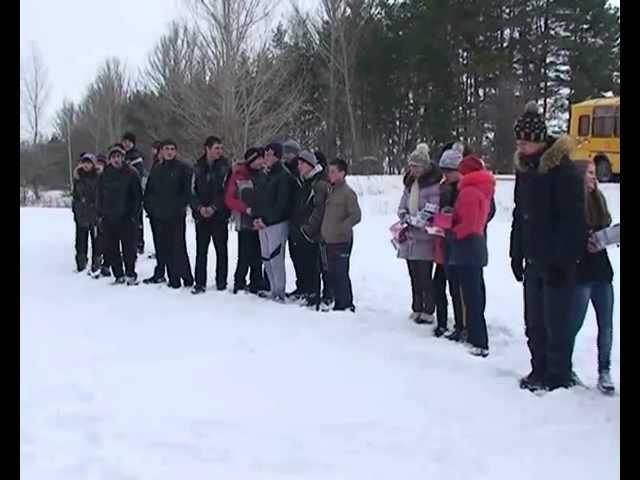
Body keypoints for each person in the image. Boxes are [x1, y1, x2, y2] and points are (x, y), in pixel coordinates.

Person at [510, 101, 587, 392]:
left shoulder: (563, 172)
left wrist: (561, 261)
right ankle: (538, 369)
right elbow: (520, 214)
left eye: (525, 141)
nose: (521, 146)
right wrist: (516, 252)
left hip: (557, 262)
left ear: (539, 141)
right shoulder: (525, 170)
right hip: (533, 258)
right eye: (518, 141)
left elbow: (573, 223)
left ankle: (558, 376)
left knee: (556, 324)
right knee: (534, 322)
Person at [571, 160, 616, 395]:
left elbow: (606, 225)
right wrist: (585, 241)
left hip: (602, 271)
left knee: (606, 325)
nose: (594, 178)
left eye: (594, 174)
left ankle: (604, 370)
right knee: (574, 323)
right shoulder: (573, 202)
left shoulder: (599, 199)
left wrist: (608, 237)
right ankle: (564, 365)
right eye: (589, 173)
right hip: (581, 272)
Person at [447, 155, 496, 357]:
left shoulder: (468, 192)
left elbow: (468, 223)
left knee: (471, 295)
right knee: (475, 292)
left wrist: (449, 228)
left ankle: (478, 339)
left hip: (466, 246)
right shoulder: (483, 189)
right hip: (476, 246)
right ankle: (477, 335)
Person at [396, 143, 441, 324]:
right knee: (413, 274)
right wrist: (404, 215)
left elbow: (433, 209)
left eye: (416, 167)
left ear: (424, 167)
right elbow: (402, 204)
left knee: (425, 276)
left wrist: (420, 220)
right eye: (411, 166)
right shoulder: (409, 185)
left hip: (425, 237)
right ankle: (417, 306)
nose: (413, 170)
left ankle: (428, 309)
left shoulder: (433, 186)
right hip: (410, 237)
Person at [143, 139, 194, 289]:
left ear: (176, 151)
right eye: (167, 149)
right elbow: (149, 192)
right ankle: (173, 278)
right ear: (162, 152)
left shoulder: (183, 168)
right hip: (159, 216)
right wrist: (150, 208)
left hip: (176, 215)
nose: (170, 152)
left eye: (172, 149)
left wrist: (178, 206)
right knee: (163, 247)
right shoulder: (157, 169)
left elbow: (187, 193)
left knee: (178, 247)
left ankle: (187, 277)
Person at [252, 143, 293, 302]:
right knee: (266, 258)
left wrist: (267, 220)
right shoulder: (263, 175)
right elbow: (257, 199)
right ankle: (272, 287)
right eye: (266, 154)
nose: (267, 158)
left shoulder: (284, 176)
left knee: (276, 258)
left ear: (278, 156)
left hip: (276, 223)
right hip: (262, 223)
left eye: (270, 155)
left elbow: (282, 204)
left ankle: (279, 291)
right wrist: (256, 218)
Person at [97, 144, 143, 285]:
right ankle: (118, 274)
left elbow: (138, 197)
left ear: (123, 158)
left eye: (119, 157)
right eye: (114, 157)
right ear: (110, 159)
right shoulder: (104, 174)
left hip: (127, 218)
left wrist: (134, 215)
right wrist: (100, 214)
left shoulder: (131, 173)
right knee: (112, 248)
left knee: (129, 248)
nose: (116, 160)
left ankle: (130, 273)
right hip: (109, 217)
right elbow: (99, 195)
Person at [190, 136, 231, 294]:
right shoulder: (197, 166)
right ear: (207, 149)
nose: (219, 152)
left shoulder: (225, 167)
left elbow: (227, 190)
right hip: (201, 216)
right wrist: (199, 208)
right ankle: (199, 282)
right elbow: (191, 191)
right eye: (216, 148)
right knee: (201, 250)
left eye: (221, 148)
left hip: (219, 215)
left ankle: (221, 282)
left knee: (221, 250)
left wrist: (214, 207)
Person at [433, 144, 466, 339]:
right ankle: (442, 321)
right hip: (442, 240)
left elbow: (483, 213)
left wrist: (454, 215)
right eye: (443, 170)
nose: (446, 174)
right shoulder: (443, 187)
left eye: (449, 171)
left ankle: (462, 325)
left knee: (457, 288)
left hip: (459, 242)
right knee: (438, 284)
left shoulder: (466, 187)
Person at [321, 158, 362, 312]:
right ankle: (338, 301)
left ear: (342, 173)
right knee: (332, 273)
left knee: (341, 273)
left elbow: (356, 216)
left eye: (333, 171)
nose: (329, 175)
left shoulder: (348, 193)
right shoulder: (331, 191)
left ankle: (345, 304)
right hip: (329, 240)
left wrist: (341, 228)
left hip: (342, 240)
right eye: (329, 171)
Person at [225, 147, 267, 294]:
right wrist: (245, 208)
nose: (262, 161)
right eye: (259, 158)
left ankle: (256, 282)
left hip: (260, 221)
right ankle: (239, 282)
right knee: (244, 255)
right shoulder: (238, 175)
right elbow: (230, 199)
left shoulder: (264, 175)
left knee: (258, 255)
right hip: (244, 221)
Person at [291, 150, 330, 308]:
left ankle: (319, 294)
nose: (298, 166)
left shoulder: (318, 183)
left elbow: (318, 209)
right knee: (307, 263)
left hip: (315, 232)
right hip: (303, 230)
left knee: (318, 265)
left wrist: (309, 228)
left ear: (309, 165)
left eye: (301, 164)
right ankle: (309, 291)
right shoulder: (304, 181)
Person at [72, 152, 100, 275]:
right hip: (81, 213)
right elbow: (75, 196)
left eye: (89, 163)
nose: (86, 165)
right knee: (80, 240)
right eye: (84, 163)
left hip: (95, 213)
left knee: (96, 240)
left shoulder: (99, 177)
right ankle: (81, 262)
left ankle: (97, 261)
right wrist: (76, 208)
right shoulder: (78, 178)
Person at [142, 143, 167, 284]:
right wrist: (149, 207)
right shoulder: (155, 167)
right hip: (155, 213)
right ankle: (160, 271)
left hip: (168, 213)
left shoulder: (174, 168)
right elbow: (150, 190)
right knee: (159, 244)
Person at [122, 132, 146, 255]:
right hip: (123, 193)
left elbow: (140, 174)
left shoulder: (136, 157)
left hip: (135, 191)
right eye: (124, 141)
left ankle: (139, 243)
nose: (126, 144)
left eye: (128, 142)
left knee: (137, 218)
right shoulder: (121, 155)